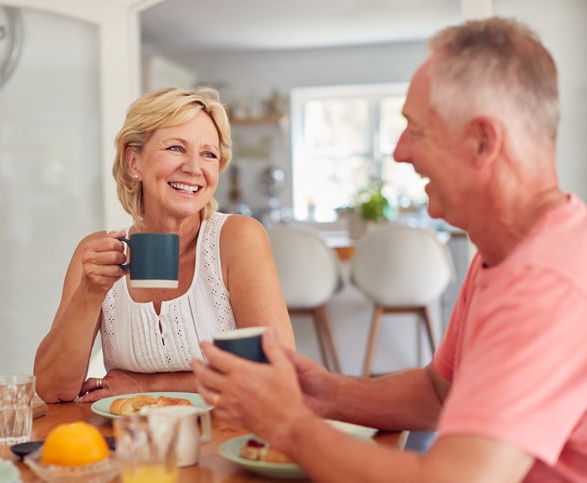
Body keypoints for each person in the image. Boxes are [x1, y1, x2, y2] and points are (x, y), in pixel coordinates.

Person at [192, 17, 587, 483]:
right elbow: (440, 392)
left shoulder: (547, 281)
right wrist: (320, 392)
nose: (400, 153)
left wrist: (285, 422)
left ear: (483, 143)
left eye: (415, 130)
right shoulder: (504, 251)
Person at [35, 87, 295, 403]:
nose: (194, 168)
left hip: (225, 437)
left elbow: (278, 374)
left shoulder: (238, 239)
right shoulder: (98, 252)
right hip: (131, 441)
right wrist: (90, 293)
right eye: (176, 148)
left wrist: (150, 386)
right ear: (135, 162)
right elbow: (50, 388)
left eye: (208, 154)